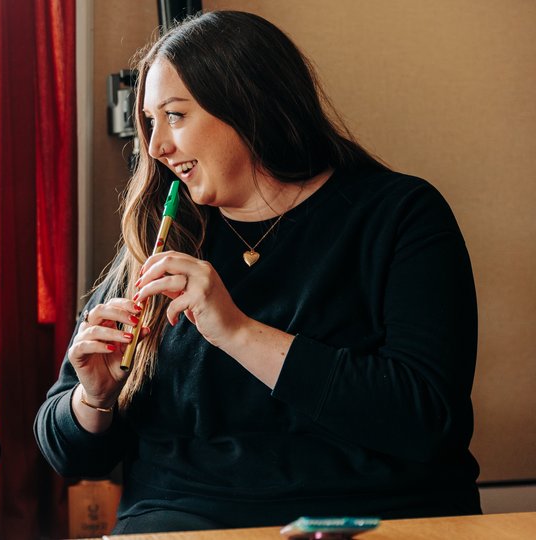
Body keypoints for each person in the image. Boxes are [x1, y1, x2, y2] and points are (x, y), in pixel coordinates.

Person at [35, 11, 480, 534]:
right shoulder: (163, 235)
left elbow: (426, 419)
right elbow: (70, 456)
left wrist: (239, 333)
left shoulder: (400, 215)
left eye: (174, 116)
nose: (155, 147)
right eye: (150, 122)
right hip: (186, 519)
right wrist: (94, 398)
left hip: (377, 515)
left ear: (247, 104)